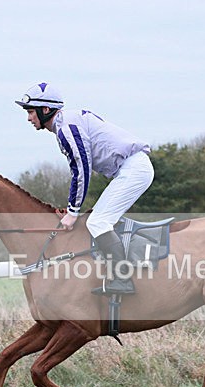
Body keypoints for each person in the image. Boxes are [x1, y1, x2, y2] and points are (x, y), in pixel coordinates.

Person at [15, 82, 154, 295]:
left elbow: (81, 170)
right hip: (130, 169)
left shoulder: (66, 129)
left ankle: (123, 280)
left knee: (98, 222)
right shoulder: (66, 124)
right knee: (98, 219)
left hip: (133, 169)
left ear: (45, 110)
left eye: (31, 112)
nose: (28, 118)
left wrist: (72, 212)